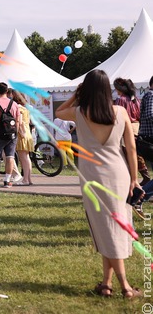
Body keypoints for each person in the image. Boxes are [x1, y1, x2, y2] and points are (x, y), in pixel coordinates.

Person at [56, 70, 142, 298]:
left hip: (92, 176)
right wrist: (134, 178)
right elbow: (131, 149)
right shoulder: (121, 112)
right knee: (112, 228)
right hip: (119, 174)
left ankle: (123, 285)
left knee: (105, 228)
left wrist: (76, 93)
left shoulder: (80, 112)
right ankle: (107, 283)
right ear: (108, 89)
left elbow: (58, 112)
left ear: (88, 89)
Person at [11, 90, 34, 186]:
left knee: (23, 158)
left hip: (21, 134)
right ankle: (28, 179)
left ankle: (25, 180)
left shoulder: (17, 108)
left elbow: (19, 122)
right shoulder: (26, 109)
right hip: (28, 133)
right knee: (27, 158)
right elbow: (28, 122)